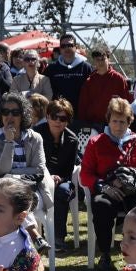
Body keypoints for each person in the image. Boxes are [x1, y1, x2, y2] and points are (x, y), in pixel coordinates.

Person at [80, 98, 136, 267]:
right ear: (108, 120)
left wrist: (129, 179)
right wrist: (103, 186)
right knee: (101, 204)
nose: (118, 126)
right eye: (115, 121)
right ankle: (105, 254)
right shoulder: (96, 142)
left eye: (122, 121)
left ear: (129, 122)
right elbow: (85, 174)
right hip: (107, 190)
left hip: (134, 191)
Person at [0, 93, 49, 232]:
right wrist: (9, 142)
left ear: (23, 115)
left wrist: (12, 175)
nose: (10, 116)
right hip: (4, 192)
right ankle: (33, 234)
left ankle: (27, 238)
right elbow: (1, 171)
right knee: (13, 202)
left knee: (17, 202)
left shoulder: (35, 138)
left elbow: (39, 169)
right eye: (5, 112)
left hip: (32, 189)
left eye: (15, 112)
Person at [37, 98, 84, 243]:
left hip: (62, 180)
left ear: (67, 121)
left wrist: (59, 178)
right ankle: (37, 234)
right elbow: (33, 162)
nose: (58, 121)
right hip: (38, 178)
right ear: (47, 117)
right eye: (54, 116)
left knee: (63, 191)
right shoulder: (36, 135)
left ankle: (58, 238)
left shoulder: (72, 139)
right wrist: (47, 177)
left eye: (63, 118)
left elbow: (69, 170)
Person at [78, 46, 130, 130]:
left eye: (103, 59)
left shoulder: (119, 79)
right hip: (93, 124)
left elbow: (126, 103)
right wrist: (83, 124)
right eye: (97, 60)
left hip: (114, 124)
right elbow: (83, 106)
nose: (100, 62)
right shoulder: (89, 81)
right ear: (94, 61)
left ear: (108, 59)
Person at [46, 34, 93, 123]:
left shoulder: (86, 68)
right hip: (57, 117)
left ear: (76, 47)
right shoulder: (51, 69)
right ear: (60, 49)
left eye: (70, 45)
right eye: (63, 46)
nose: (66, 48)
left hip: (81, 117)